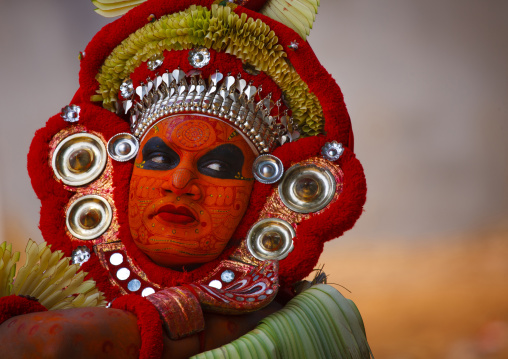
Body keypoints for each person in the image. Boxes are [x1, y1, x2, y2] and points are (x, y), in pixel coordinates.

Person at [0, 0, 372, 357]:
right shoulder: (53, 296)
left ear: (262, 196)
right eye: (159, 158)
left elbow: (55, 345)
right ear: (119, 173)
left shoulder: (306, 324)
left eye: (217, 168)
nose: (178, 182)